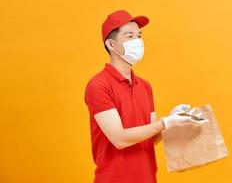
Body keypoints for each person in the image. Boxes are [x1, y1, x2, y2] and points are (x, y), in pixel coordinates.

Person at [84, 10, 200, 183]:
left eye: (139, 35)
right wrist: (165, 122)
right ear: (111, 44)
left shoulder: (144, 86)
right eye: (129, 36)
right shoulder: (99, 85)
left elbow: (150, 138)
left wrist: (172, 120)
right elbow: (120, 139)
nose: (137, 41)